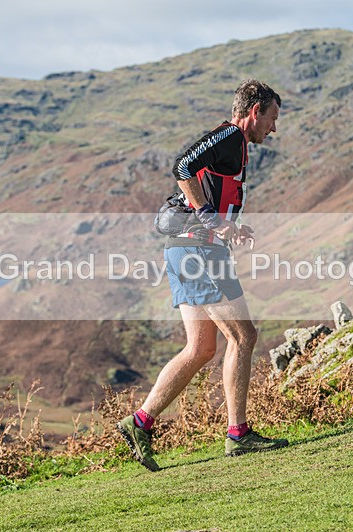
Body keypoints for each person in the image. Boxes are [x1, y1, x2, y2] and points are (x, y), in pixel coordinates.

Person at [117, 79, 288, 471]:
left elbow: (210, 187)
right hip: (198, 250)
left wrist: (229, 224)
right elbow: (182, 167)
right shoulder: (229, 136)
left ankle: (139, 422)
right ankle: (238, 435)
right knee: (243, 335)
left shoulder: (237, 147)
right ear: (254, 111)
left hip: (187, 248)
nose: (273, 129)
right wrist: (211, 219)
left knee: (201, 348)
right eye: (272, 119)